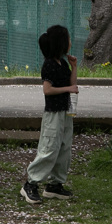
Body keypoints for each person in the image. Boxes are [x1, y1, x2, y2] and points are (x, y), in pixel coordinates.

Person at [20, 24, 78, 205]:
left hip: (65, 112)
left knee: (64, 148)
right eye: (67, 39)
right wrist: (69, 88)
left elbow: (72, 83)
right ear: (61, 43)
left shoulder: (63, 63)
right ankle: (30, 184)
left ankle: (54, 185)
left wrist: (74, 67)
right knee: (49, 148)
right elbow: (47, 90)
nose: (70, 42)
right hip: (53, 114)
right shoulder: (49, 65)